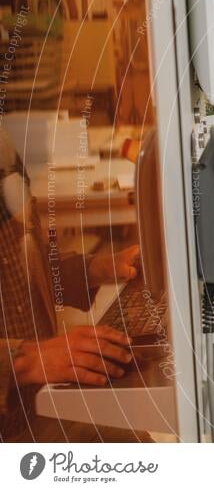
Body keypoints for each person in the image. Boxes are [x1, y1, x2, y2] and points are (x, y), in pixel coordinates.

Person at [0, 128, 147, 442]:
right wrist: (28, 360)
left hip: (38, 405)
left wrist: (98, 267)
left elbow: (21, 268)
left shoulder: (4, 150)